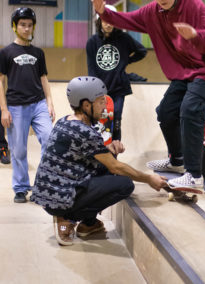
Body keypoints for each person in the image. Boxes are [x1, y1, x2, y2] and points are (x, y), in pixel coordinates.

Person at [92, 0, 205, 190]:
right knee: (166, 112)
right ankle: (176, 160)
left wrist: (196, 35)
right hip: (185, 70)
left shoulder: (193, 5)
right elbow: (127, 19)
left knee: (190, 109)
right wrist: (104, 13)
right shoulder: (152, 12)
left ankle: (194, 174)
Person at [31, 76, 167, 246]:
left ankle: (88, 225)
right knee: (125, 184)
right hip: (58, 200)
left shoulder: (65, 121)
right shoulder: (86, 132)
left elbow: (82, 153)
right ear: (86, 105)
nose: (105, 108)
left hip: (49, 193)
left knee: (104, 167)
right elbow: (116, 167)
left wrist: (108, 149)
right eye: (101, 102)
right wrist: (149, 179)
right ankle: (67, 218)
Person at [0, 7, 55, 203]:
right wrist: (4, 109)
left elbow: (44, 78)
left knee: (50, 140)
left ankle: (42, 185)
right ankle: (21, 188)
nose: (26, 28)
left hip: (39, 104)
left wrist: (49, 103)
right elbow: (0, 80)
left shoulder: (38, 53)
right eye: (22, 24)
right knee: (19, 150)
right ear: (15, 26)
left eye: (29, 25)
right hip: (15, 106)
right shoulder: (6, 52)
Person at [87, 4, 147, 141]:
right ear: (99, 21)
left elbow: (142, 51)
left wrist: (125, 61)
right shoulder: (92, 42)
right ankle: (101, 153)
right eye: (105, 20)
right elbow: (91, 69)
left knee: (116, 119)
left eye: (111, 21)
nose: (108, 24)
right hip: (100, 89)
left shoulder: (124, 38)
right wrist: (95, 91)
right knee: (101, 122)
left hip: (119, 87)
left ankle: (114, 153)